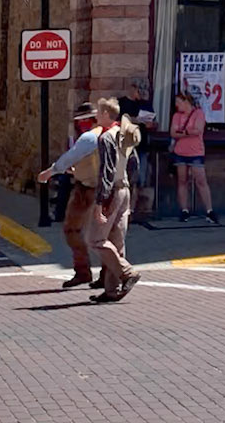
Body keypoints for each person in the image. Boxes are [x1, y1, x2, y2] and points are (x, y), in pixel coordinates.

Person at [36, 101, 100, 289]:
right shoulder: (107, 134)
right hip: (89, 186)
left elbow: (68, 159)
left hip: (91, 189)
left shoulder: (89, 137)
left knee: (81, 232)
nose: (81, 125)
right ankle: (95, 272)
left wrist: (50, 172)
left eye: (84, 121)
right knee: (95, 234)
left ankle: (90, 271)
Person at [86, 97, 141, 302]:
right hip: (124, 189)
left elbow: (106, 172)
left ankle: (127, 272)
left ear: (107, 115)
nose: (96, 116)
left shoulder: (106, 138)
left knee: (96, 239)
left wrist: (100, 202)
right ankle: (112, 290)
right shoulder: (123, 134)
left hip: (112, 192)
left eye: (99, 113)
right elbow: (134, 165)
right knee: (116, 241)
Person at [169, 89, 214, 224]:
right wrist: (188, 132)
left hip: (196, 152)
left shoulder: (198, 113)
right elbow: (173, 133)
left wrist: (182, 132)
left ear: (186, 101)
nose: (177, 105)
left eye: (179, 102)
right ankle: (184, 210)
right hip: (180, 152)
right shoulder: (176, 116)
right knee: (182, 181)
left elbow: (198, 130)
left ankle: (209, 210)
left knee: (201, 180)